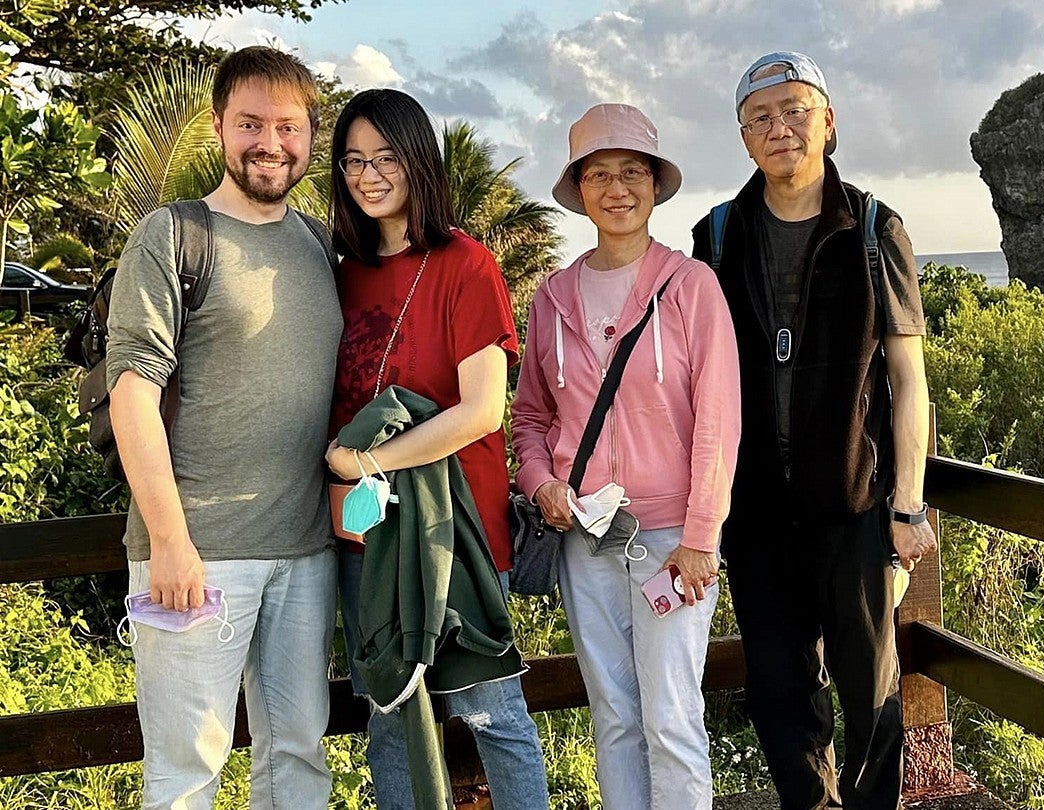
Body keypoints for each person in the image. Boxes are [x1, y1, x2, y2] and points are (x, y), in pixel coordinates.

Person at [691, 51, 938, 810]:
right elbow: (698, 379)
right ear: (743, 138)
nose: (780, 128)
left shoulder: (872, 227)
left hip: (856, 508)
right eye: (761, 117)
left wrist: (906, 503)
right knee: (778, 695)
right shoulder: (719, 235)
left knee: (871, 697)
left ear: (829, 122)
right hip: (758, 513)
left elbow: (908, 381)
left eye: (796, 110)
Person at [106, 46, 341, 809]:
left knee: (299, 757)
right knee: (185, 774)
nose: (270, 143)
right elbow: (132, 393)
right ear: (217, 126)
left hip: (305, 554)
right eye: (250, 123)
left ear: (311, 136)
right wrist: (170, 542)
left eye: (288, 126)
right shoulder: (171, 235)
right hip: (198, 553)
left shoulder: (316, 244)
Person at [322, 88, 548, 809]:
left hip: (458, 535)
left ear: (420, 161)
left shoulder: (466, 264)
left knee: (494, 717)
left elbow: (482, 412)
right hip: (369, 538)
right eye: (354, 159)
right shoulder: (342, 272)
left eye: (387, 156)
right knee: (391, 720)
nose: (370, 174)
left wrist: (367, 462)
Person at [511, 102, 742, 808]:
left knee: (670, 717)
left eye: (632, 171)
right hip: (585, 536)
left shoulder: (690, 286)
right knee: (612, 716)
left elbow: (719, 420)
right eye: (600, 173)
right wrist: (542, 481)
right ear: (579, 188)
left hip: (673, 541)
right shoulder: (552, 296)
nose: (617, 188)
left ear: (654, 184)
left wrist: (703, 536)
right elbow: (528, 418)